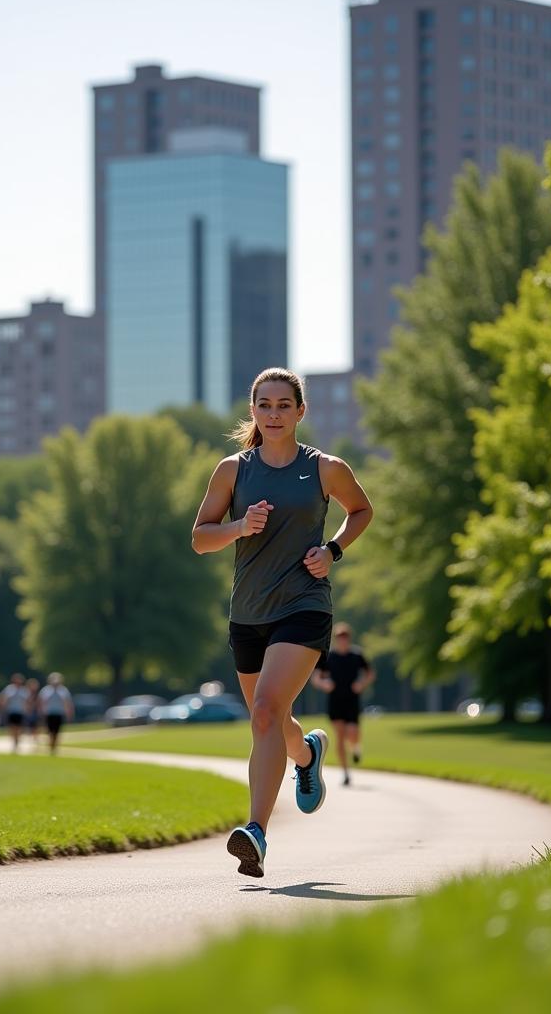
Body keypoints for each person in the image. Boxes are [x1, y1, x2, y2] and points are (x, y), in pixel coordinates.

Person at [192, 366, 373, 878]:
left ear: (300, 411)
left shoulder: (324, 468)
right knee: (270, 719)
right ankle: (307, 752)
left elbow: (361, 510)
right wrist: (237, 527)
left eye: (283, 405)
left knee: (267, 710)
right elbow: (200, 537)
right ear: (253, 411)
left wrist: (333, 549)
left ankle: (256, 834)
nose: (273, 414)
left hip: (304, 606)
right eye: (264, 405)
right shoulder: (232, 471)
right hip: (248, 614)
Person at [311, 622, 376, 785]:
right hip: (335, 701)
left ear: (349, 638)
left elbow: (370, 674)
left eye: (345, 637)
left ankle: (355, 748)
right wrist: (324, 684)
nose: (342, 640)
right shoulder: (329, 656)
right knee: (340, 736)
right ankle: (346, 772)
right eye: (340, 638)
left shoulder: (356, 655)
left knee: (353, 733)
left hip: (352, 700)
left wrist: (361, 684)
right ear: (336, 639)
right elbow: (316, 677)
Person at [38, 672, 75, 755]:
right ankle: (51, 745)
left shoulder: (63, 690)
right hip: (49, 713)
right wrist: (41, 712)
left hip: (59, 713)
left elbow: (68, 703)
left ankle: (54, 746)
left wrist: (69, 713)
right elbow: (41, 702)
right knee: (50, 730)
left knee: (57, 731)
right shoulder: (46, 690)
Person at [0, 673, 29, 752]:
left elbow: (27, 701)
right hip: (11, 711)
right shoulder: (9, 689)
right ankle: (14, 742)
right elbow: (2, 698)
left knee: (19, 727)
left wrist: (27, 709)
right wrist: (3, 707)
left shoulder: (24, 690)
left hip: (20, 711)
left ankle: (17, 742)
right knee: (12, 727)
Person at [23, 676, 41, 747]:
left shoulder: (37, 694)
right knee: (30, 726)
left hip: (35, 712)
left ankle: (35, 739)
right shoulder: (25, 694)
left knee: (35, 726)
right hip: (28, 712)